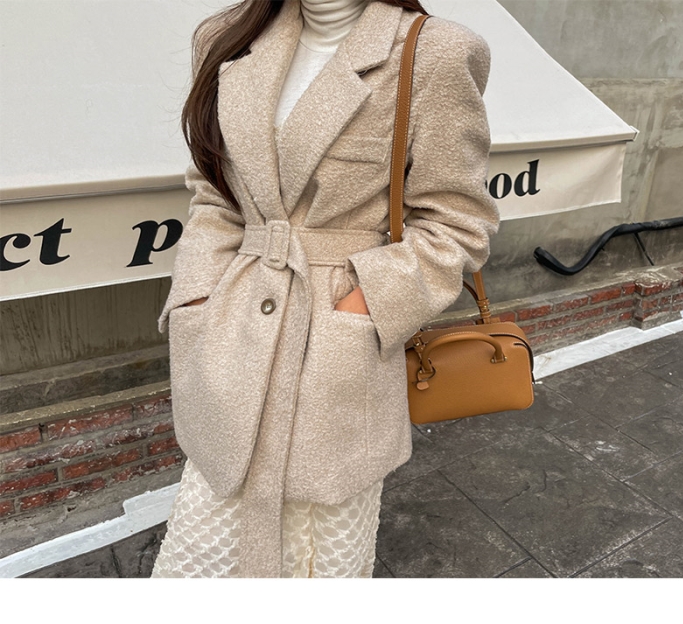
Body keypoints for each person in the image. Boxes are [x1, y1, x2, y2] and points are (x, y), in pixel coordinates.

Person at [151, 0, 500, 579]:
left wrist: (365, 303)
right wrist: (197, 294)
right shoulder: (225, 37)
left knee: (318, 557)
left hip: (335, 352)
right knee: (204, 548)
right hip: (234, 337)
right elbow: (214, 195)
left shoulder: (434, 51)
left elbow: (456, 222)